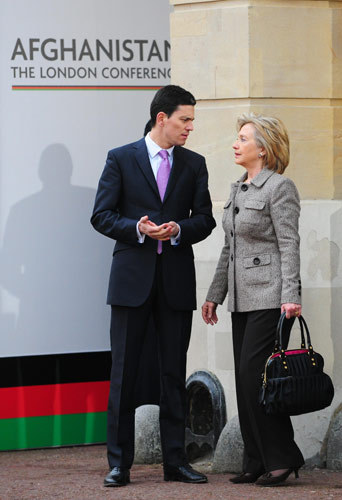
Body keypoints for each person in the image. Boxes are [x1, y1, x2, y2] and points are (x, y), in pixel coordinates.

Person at [91, 85, 216, 487]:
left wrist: (179, 228)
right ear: (162, 118)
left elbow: (206, 219)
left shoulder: (194, 164)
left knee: (172, 376)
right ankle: (119, 464)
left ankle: (175, 462)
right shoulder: (121, 158)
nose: (190, 128)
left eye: (192, 120)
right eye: (185, 119)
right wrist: (138, 229)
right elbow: (102, 216)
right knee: (123, 374)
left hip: (175, 283)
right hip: (132, 283)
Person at [202, 113, 304, 486]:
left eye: (243, 138)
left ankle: (282, 457)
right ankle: (257, 459)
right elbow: (229, 247)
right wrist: (214, 296)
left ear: (263, 148)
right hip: (242, 300)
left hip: (273, 298)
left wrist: (291, 295)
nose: (236, 143)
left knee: (256, 376)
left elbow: (290, 244)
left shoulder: (280, 187)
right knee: (248, 381)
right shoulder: (237, 189)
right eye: (237, 137)